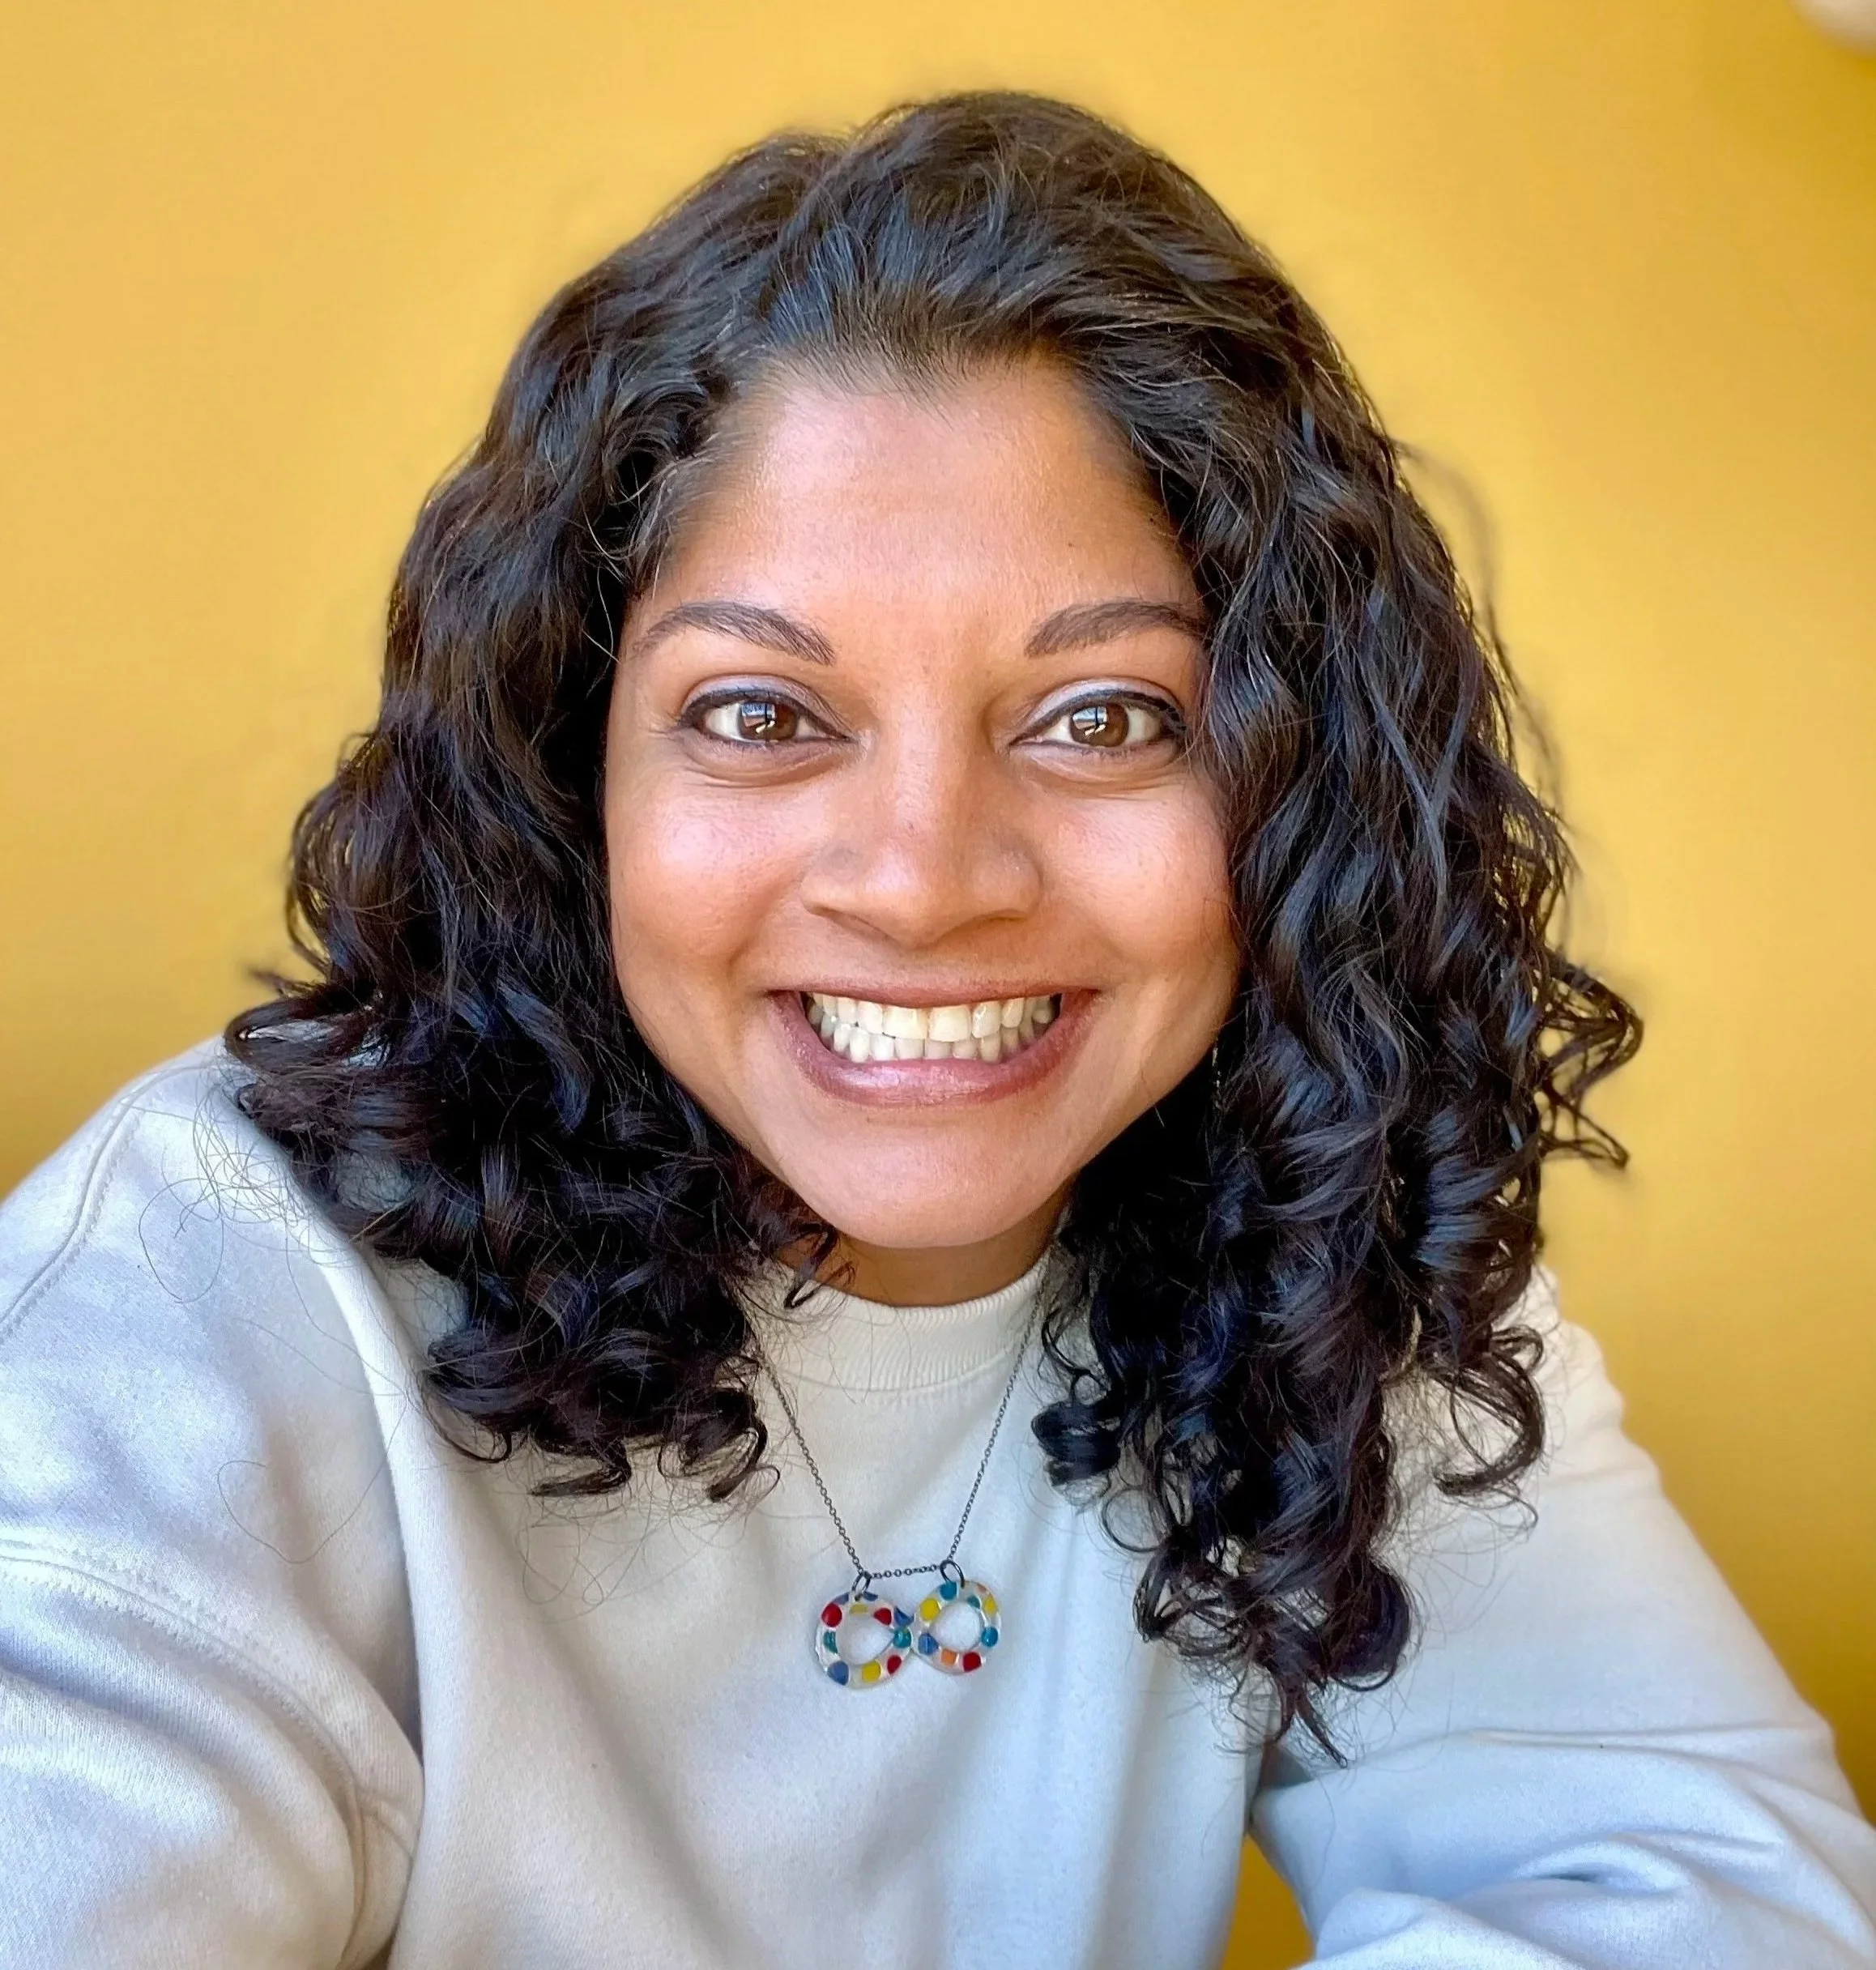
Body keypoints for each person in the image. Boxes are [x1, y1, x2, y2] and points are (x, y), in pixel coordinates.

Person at [0, 91, 1870, 1970]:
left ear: (1291, 795)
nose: (921, 881)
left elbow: (1714, 1897)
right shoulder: (211, 1284)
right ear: (572, 775)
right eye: (759, 713)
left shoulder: (1324, 1240)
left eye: (1101, 718)